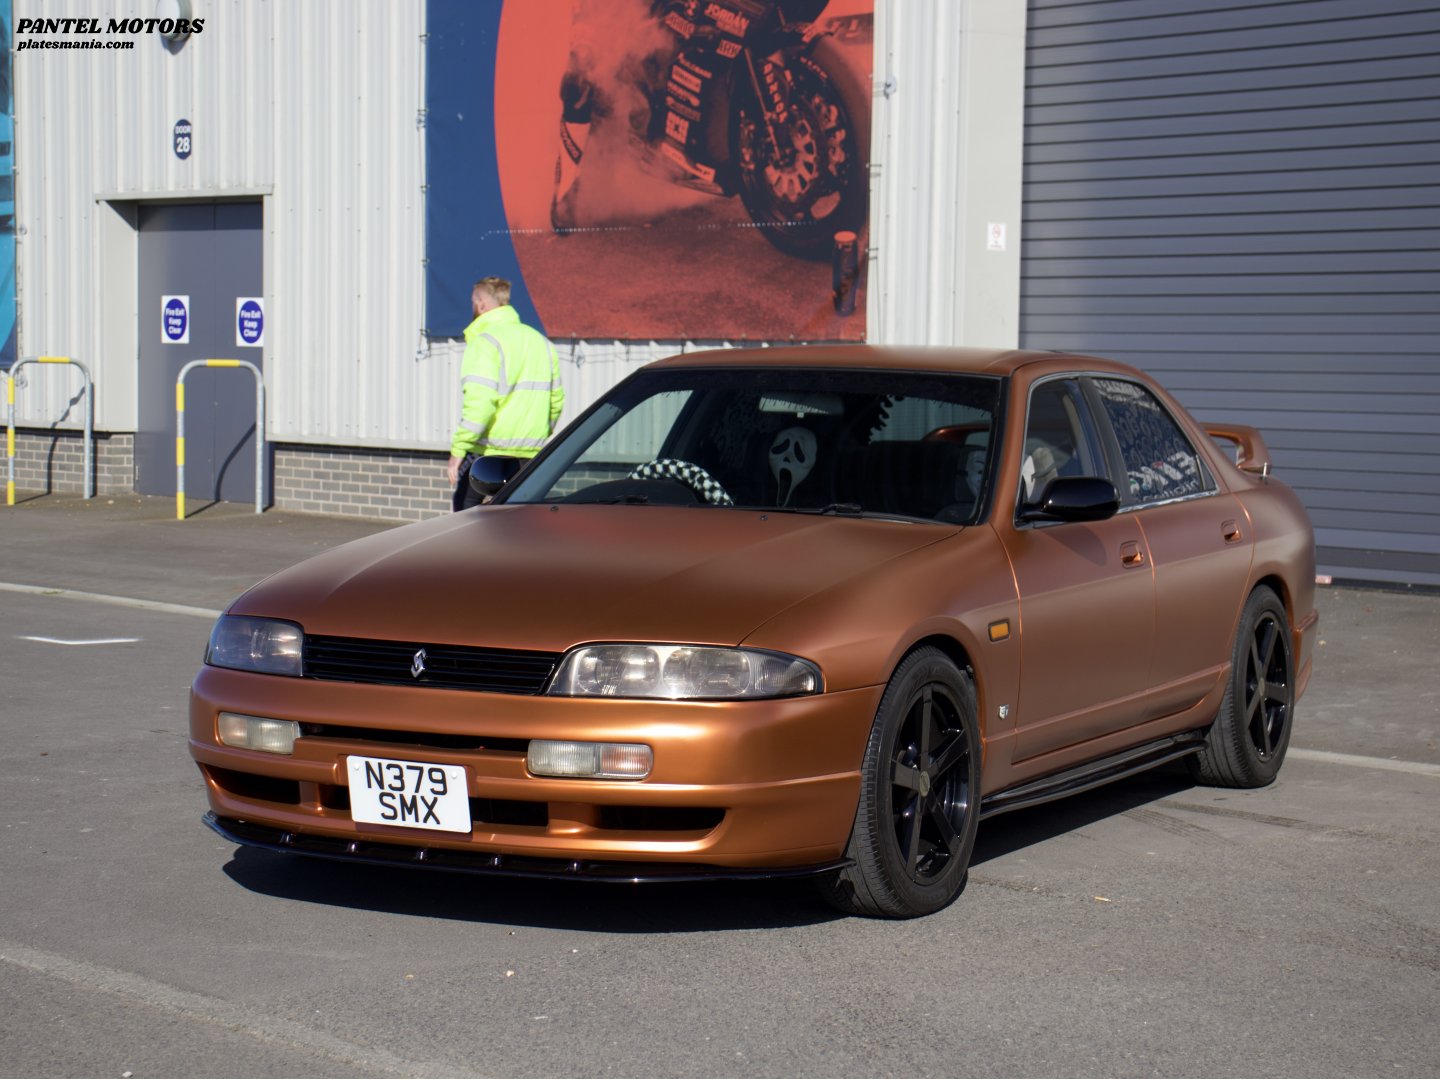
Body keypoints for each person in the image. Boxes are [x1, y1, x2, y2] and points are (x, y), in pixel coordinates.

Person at [448, 277, 565, 510]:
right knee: (519, 519)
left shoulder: (485, 342)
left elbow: (480, 405)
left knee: (463, 514)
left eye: (474, 302)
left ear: (481, 304)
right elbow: (556, 402)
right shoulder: (541, 342)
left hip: (491, 456)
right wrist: (540, 431)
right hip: (531, 455)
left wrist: (458, 450)